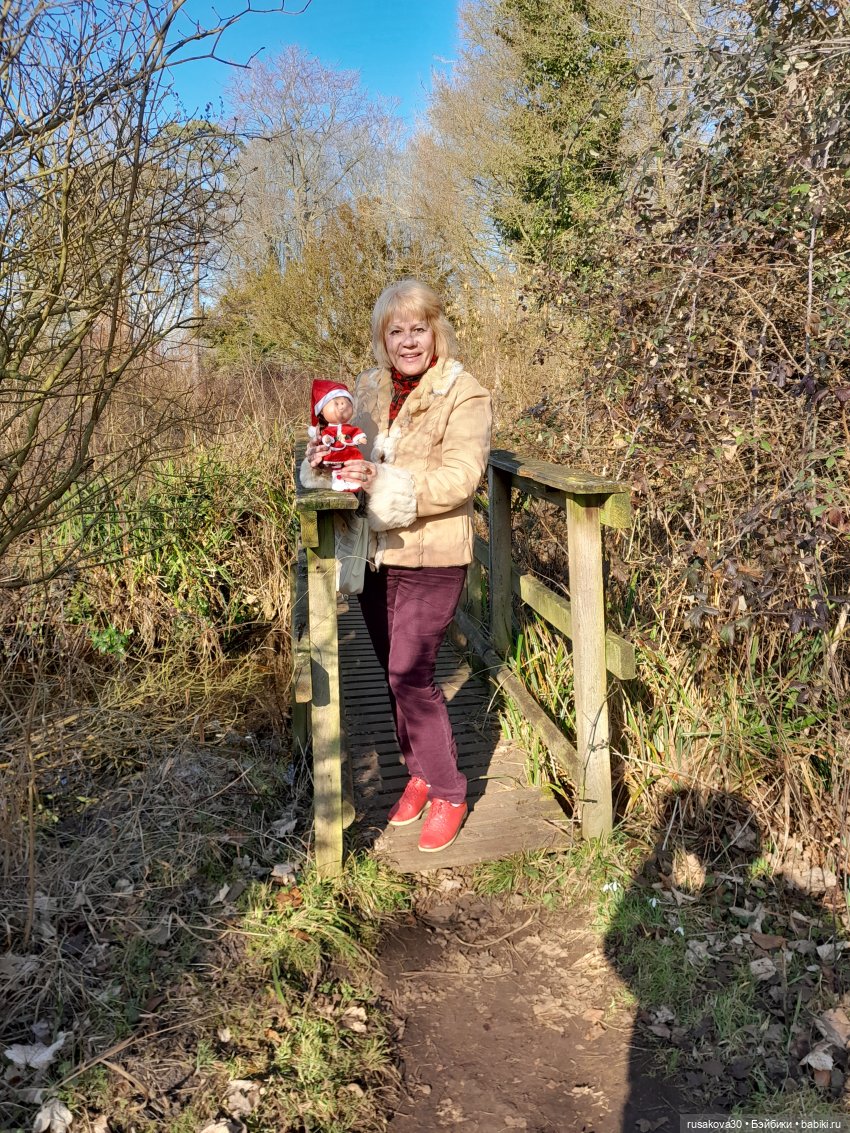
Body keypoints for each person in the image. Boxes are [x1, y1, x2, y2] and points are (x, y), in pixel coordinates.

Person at [300, 279, 492, 853]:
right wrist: (327, 462)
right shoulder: (367, 389)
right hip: (375, 553)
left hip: (432, 552)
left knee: (411, 673)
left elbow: (461, 477)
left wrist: (384, 481)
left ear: (437, 331)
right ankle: (418, 771)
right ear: (383, 339)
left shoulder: (466, 392)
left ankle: (451, 790)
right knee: (390, 672)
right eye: (397, 330)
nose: (409, 340)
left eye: (419, 328)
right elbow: (348, 451)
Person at [307, 379, 367, 492]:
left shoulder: (349, 427)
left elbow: (355, 432)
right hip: (334, 452)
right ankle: (338, 480)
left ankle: (352, 482)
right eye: (336, 402)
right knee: (336, 469)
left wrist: (360, 438)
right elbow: (325, 437)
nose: (341, 406)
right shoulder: (327, 429)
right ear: (322, 411)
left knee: (351, 467)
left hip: (349, 452)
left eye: (345, 401)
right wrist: (327, 439)